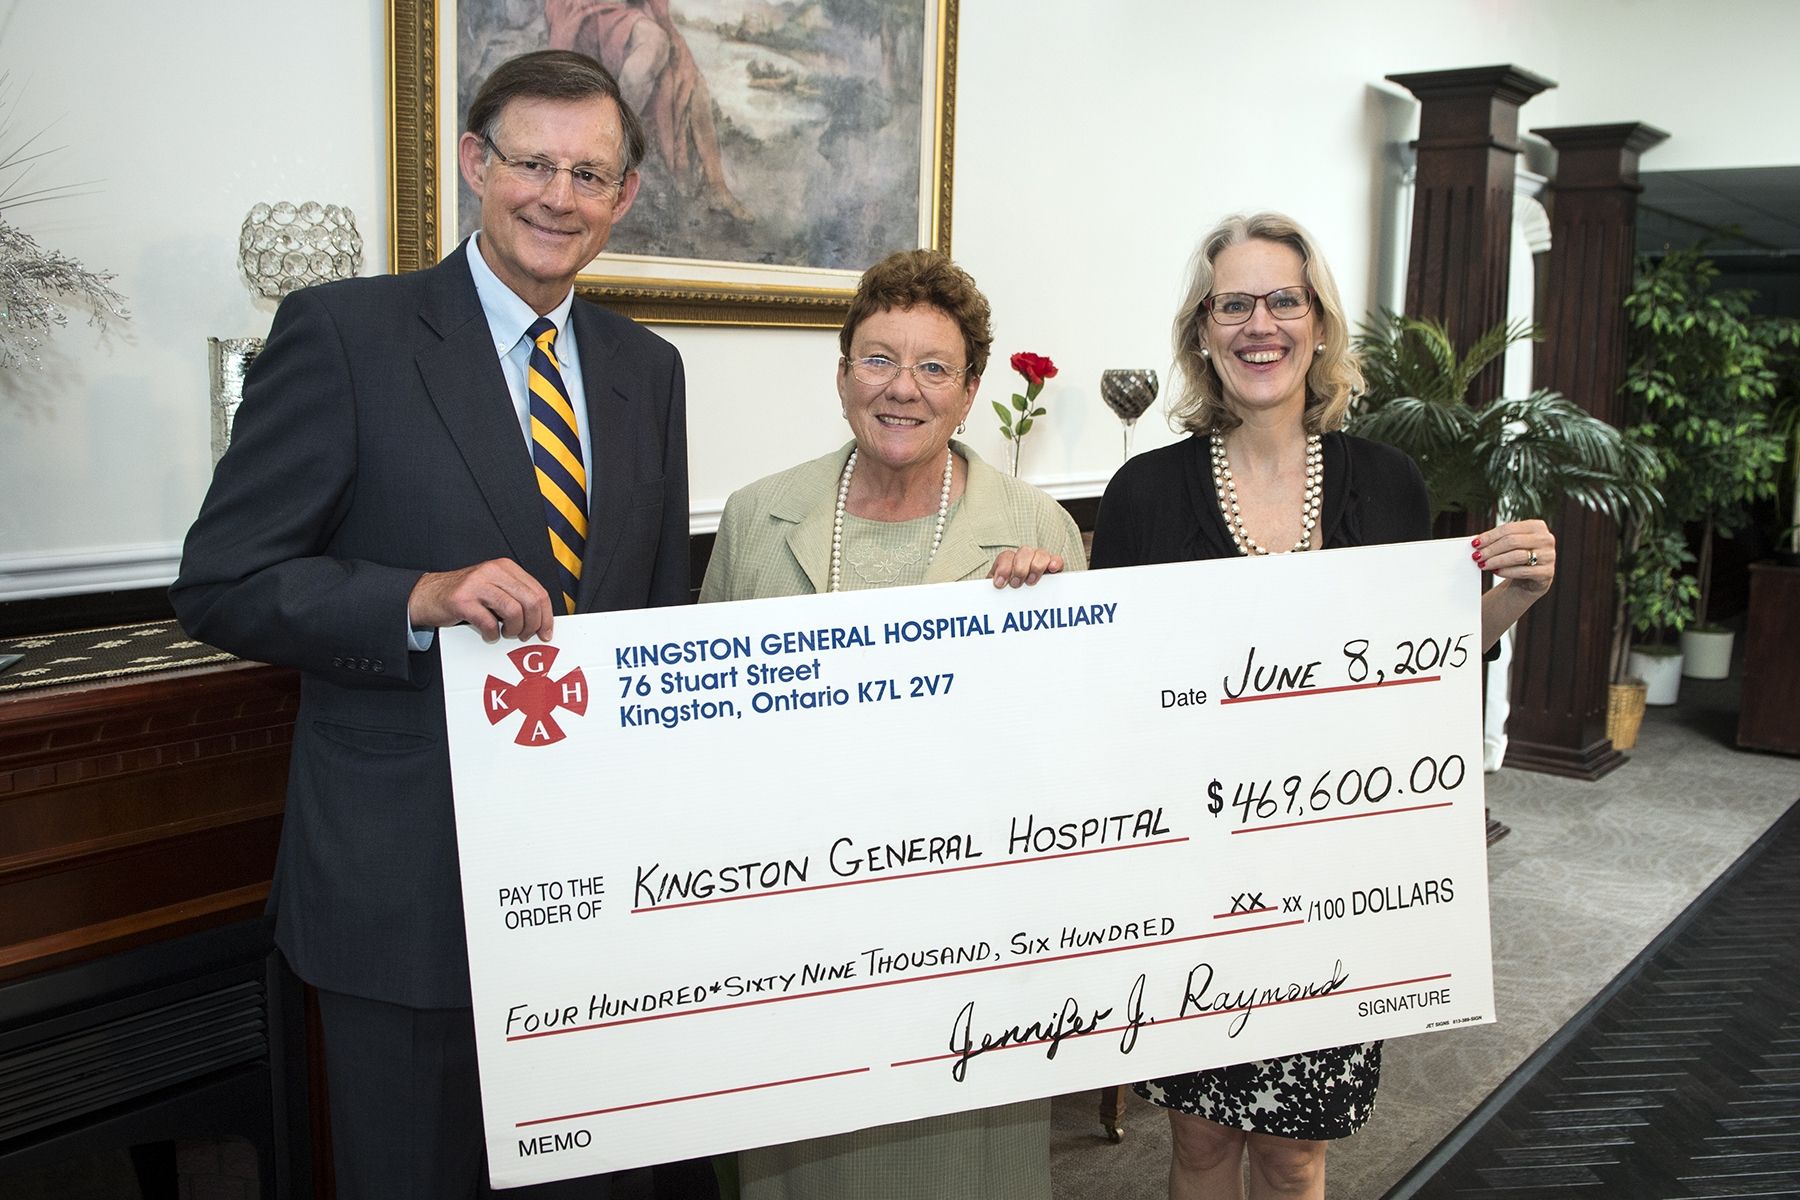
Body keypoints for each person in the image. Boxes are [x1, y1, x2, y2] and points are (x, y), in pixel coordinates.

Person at [170, 50, 689, 1200]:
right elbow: (223, 579)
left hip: (592, 896)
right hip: (404, 890)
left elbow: (650, 613)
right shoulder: (345, 334)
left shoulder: (647, 370)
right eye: (532, 162)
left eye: (588, 172)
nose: (558, 195)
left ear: (624, 197)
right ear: (473, 164)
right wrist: (413, 597)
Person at [1089, 212, 1556, 1200]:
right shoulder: (1141, 493)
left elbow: (1415, 673)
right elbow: (1106, 694)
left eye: (1283, 300)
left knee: (1299, 1150)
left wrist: (1507, 602)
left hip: (1336, 877)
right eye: (1234, 304)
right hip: (1195, 880)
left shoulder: (1386, 487)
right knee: (1202, 1142)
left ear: (1318, 323)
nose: (1260, 324)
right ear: (1203, 331)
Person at [700, 248, 1080, 1199]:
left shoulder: (1038, 530)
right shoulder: (756, 519)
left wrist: (1041, 622)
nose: (901, 389)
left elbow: (1072, 749)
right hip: (796, 923)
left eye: (933, 368)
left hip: (970, 937)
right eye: (876, 360)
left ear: (970, 391)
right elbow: (703, 740)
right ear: (840, 376)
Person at [547, 0, 754, 222]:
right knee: (654, 44)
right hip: (591, 9)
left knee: (692, 82)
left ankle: (716, 186)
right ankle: (605, 147)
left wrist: (668, 26)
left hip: (632, 13)